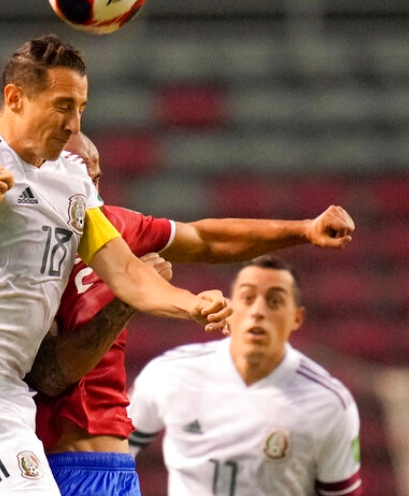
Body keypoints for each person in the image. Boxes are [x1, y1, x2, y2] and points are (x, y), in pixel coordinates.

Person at [0, 34, 232, 496]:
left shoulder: (71, 180)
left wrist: (190, 304)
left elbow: (125, 271)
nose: (74, 124)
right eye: (63, 106)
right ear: (15, 97)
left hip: (10, 397)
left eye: (81, 108)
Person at [27, 132, 356, 496]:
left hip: (104, 466)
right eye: (80, 173)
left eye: (96, 177)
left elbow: (205, 239)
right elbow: (50, 375)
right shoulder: (19, 246)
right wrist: (128, 298)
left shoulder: (115, 227)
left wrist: (304, 229)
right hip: (31, 459)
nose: (91, 189)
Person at [128, 256, 363, 496]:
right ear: (230, 308)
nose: (258, 311)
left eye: (274, 301)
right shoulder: (170, 373)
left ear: (297, 318)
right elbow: (113, 450)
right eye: (247, 298)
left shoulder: (329, 403)